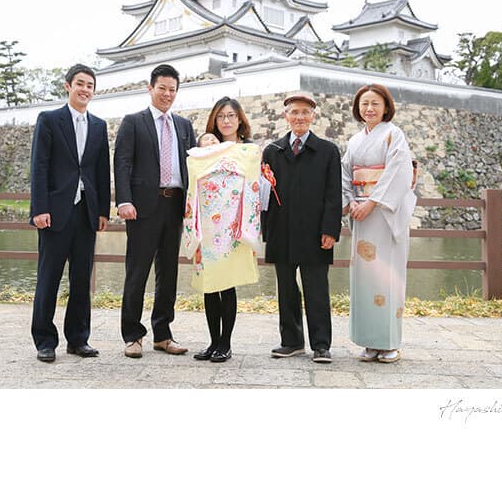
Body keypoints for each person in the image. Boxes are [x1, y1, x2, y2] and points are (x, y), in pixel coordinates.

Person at [29, 64, 110, 363]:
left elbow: (102, 171)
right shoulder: (49, 120)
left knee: (80, 278)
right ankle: (44, 340)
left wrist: (103, 210)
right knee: (48, 277)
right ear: (67, 86)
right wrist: (40, 208)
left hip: (86, 212)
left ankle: (78, 339)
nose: (85, 89)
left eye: (90, 85)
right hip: (55, 211)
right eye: (80, 83)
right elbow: (39, 165)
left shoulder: (99, 126)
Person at [114, 64, 196, 358]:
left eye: (172, 89)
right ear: (150, 88)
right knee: (137, 272)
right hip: (142, 207)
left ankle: (163, 334)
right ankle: (133, 335)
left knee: (169, 273)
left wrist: (194, 204)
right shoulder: (133, 122)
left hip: (175, 204)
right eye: (162, 88)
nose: (167, 94)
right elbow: (122, 163)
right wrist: (124, 200)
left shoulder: (184, 126)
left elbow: (194, 166)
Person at [261, 91, 342, 363]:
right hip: (281, 230)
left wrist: (330, 230)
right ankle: (291, 341)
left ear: (313, 116)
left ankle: (321, 344)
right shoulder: (272, 151)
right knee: (286, 288)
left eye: (305, 112)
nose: (299, 117)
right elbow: (264, 194)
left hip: (315, 231)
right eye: (294, 112)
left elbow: (334, 194)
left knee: (316, 288)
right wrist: (265, 231)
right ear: (285, 116)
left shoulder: (328, 151)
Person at [341, 83, 417, 364]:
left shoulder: (394, 135)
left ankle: (390, 342)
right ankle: (370, 341)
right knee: (365, 277)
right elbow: (345, 173)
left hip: (384, 214)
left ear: (386, 107)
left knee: (388, 276)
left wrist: (372, 202)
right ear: (357, 109)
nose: (369, 109)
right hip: (361, 211)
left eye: (375, 103)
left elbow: (398, 171)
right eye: (364, 104)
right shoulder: (354, 140)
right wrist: (350, 202)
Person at [182, 98, 261, 363]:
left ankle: (225, 343)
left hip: (233, 228)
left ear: (240, 119)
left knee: (226, 285)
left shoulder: (248, 151)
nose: (226, 121)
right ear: (214, 121)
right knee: (209, 285)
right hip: (207, 226)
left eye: (231, 116)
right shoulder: (204, 150)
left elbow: (252, 186)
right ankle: (212, 341)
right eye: (220, 117)